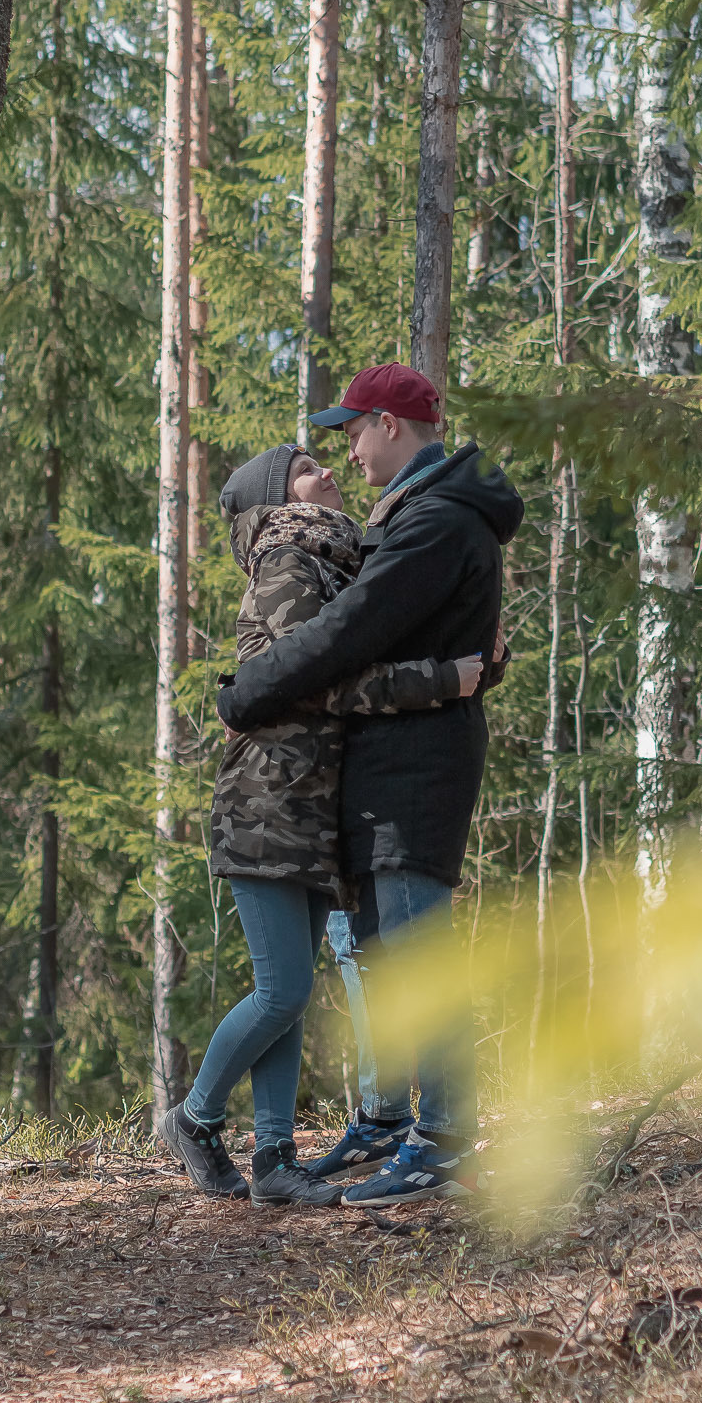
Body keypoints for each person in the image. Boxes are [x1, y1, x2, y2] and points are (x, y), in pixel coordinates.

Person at [217, 364, 524, 1208]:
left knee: (419, 959)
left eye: (353, 432)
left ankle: (444, 1141)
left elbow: (350, 631)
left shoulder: (435, 520)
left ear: (390, 424)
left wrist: (245, 694)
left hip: (417, 771)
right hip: (385, 769)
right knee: (385, 958)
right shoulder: (411, 516)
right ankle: (391, 1124)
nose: (348, 452)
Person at [159, 440, 483, 1208]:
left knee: (290, 993)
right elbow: (312, 683)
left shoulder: (333, 562)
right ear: (278, 499)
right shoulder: (288, 564)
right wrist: (437, 680)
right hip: (268, 802)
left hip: (312, 807)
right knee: (282, 991)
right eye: (306, 469)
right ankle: (194, 1118)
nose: (328, 470)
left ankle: (274, 1158)